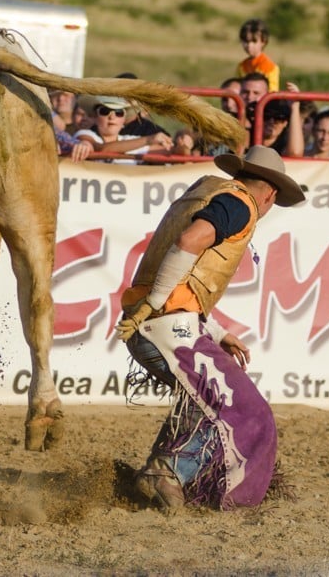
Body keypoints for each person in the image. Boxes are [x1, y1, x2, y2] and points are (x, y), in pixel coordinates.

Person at [115, 145, 305, 512]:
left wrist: (216, 332)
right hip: (167, 327)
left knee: (204, 401)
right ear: (270, 195)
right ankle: (166, 473)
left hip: (162, 324)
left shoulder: (207, 192)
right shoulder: (241, 205)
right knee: (245, 411)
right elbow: (190, 242)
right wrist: (156, 299)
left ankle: (162, 475)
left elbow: (184, 268)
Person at [74, 95, 173, 163]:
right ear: (94, 117)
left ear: (124, 121)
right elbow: (102, 149)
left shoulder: (131, 141)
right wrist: (148, 140)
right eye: (105, 111)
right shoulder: (85, 134)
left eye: (118, 113)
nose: (112, 117)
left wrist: (184, 142)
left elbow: (171, 151)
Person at [236, 19, 279, 92]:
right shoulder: (241, 66)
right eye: (246, 41)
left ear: (263, 42)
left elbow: (272, 92)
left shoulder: (269, 67)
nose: (249, 45)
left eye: (254, 41)